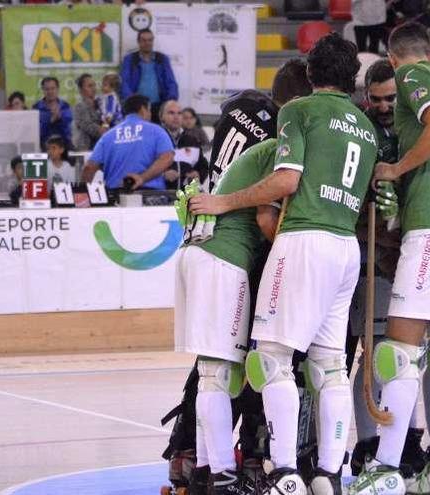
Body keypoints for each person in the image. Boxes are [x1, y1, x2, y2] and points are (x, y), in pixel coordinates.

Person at [188, 33, 377, 495]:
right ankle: (328, 476)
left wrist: (223, 201)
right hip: (345, 246)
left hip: (305, 240)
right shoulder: (367, 128)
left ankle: (286, 473)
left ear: (311, 73)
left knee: (272, 361)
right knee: (330, 366)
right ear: (352, 80)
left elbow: (286, 179)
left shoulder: (299, 111)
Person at [159, 58, 315, 495]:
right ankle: (238, 466)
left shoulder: (238, 110)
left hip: (199, 247)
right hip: (230, 254)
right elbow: (271, 206)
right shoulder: (283, 142)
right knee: (246, 364)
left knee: (212, 367)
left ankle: (196, 459)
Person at [346, 22, 430, 495]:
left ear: (393, 56)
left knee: (398, 351)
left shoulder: (412, 77)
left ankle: (384, 468)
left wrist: (397, 167)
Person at [207, 59, 311, 191]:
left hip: (211, 197)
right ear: (296, 100)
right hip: (238, 207)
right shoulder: (282, 134)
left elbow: (224, 106)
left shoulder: (242, 99)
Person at [81, 94, 174, 190]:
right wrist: (142, 178)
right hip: (150, 196)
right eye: (149, 110)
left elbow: (89, 168)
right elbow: (167, 157)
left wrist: (84, 195)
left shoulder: (108, 136)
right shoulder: (156, 131)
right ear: (143, 109)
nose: (150, 115)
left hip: (115, 196)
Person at [120, 29, 179, 122]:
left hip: (159, 106)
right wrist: (131, 101)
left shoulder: (162, 59)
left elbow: (171, 82)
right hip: (138, 107)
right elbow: (124, 82)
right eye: (144, 40)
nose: (147, 43)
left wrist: (170, 102)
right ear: (138, 42)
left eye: (150, 40)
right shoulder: (130, 59)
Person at [160, 100, 209, 190]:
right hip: (161, 195)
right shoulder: (155, 139)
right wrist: (162, 175)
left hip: (185, 197)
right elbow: (144, 168)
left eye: (179, 113)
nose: (176, 117)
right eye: (171, 113)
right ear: (162, 117)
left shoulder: (191, 140)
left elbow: (203, 166)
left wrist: (198, 174)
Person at [33, 77, 73, 150]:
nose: (50, 92)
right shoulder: (36, 108)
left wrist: (59, 119)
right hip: (44, 146)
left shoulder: (65, 106)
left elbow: (69, 132)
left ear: (57, 89)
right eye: (47, 89)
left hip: (63, 146)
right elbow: (36, 133)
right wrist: (50, 121)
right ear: (43, 90)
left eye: (53, 88)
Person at [72, 73, 107, 151]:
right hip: (85, 149)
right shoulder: (80, 106)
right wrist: (106, 131)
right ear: (81, 90)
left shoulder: (100, 105)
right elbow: (88, 126)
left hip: (100, 147)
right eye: (90, 86)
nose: (94, 88)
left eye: (94, 85)